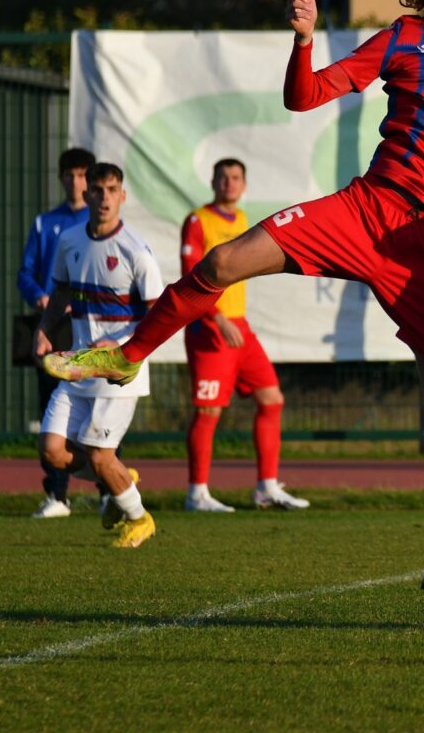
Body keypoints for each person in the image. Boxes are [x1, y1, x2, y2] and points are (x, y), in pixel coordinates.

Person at [46, 0, 424, 641]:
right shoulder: (405, 38)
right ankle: (127, 352)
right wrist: (303, 39)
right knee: (226, 260)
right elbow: (306, 96)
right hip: (370, 210)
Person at [33, 162, 162, 548]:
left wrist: (121, 346)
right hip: (78, 368)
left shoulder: (136, 252)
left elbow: (161, 315)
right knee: (52, 451)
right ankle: (117, 478)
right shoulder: (70, 241)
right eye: (97, 189)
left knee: (100, 455)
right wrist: (43, 329)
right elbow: (60, 294)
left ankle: (140, 519)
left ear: (122, 196)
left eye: (111, 190)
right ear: (85, 194)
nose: (104, 197)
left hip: (120, 371)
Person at [181, 158, 307, 512]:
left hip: (240, 328)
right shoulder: (197, 220)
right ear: (213, 182)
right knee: (208, 411)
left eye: (236, 178)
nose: (229, 184)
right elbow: (190, 274)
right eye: (223, 178)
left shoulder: (241, 221)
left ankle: (266, 487)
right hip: (210, 328)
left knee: (272, 398)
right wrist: (218, 320)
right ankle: (197, 493)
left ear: (244, 185)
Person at [17, 146, 95, 518]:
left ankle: (111, 490)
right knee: (53, 409)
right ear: (61, 178)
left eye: (83, 175)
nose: (77, 182)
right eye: (70, 174)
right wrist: (41, 299)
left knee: (101, 405)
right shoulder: (45, 223)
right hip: (53, 328)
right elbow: (26, 274)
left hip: (91, 328)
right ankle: (57, 495)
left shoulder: (100, 226)